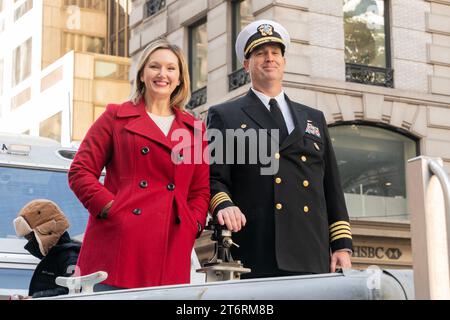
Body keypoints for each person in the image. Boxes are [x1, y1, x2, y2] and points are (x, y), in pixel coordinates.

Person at [207, 20, 353, 279]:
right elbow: (214, 178)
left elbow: (331, 186)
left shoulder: (314, 118)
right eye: (260, 53)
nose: (269, 58)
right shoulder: (225, 115)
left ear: (284, 62)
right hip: (258, 247)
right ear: (246, 64)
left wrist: (341, 244)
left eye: (275, 53)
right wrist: (224, 205)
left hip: (311, 247)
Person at [68, 38, 210, 290]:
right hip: (119, 246)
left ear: (180, 78)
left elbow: (199, 191)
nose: (162, 74)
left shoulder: (194, 129)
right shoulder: (116, 117)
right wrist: (110, 209)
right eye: (155, 66)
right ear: (142, 73)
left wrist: (193, 223)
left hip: (171, 244)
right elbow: (80, 171)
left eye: (170, 68)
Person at [12, 199, 81, 299]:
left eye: (30, 237)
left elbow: (73, 290)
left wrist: (34, 298)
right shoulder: (54, 256)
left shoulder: (70, 257)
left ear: (46, 231)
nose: (30, 243)